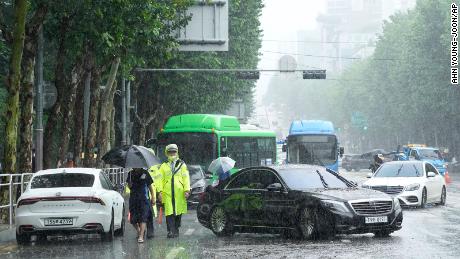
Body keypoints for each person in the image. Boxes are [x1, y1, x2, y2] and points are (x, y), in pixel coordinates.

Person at [158, 144, 190, 238]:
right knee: (169, 212)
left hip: (179, 193)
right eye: (170, 152)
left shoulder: (182, 165)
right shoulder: (163, 166)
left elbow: (186, 178)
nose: (172, 154)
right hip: (167, 193)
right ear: (166, 153)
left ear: (177, 152)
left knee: (178, 212)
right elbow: (160, 179)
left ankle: (176, 228)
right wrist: (159, 191)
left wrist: (187, 190)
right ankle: (170, 231)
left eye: (174, 152)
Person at [126, 168, 155, 243]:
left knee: (143, 217)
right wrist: (130, 184)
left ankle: (141, 236)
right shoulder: (130, 174)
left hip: (144, 199)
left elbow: (150, 186)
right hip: (133, 199)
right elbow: (129, 187)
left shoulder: (145, 173)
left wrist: (153, 196)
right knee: (133, 220)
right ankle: (139, 231)